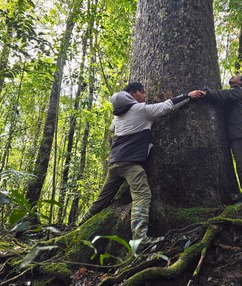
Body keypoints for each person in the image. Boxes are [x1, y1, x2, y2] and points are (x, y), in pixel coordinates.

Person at [79, 82, 204, 244]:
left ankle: (80, 223)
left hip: (115, 163)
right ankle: (139, 240)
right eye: (141, 92)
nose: (145, 95)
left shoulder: (117, 117)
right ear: (132, 95)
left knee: (102, 199)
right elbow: (166, 106)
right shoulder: (140, 110)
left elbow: (112, 129)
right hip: (130, 164)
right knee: (142, 196)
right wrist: (188, 96)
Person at [202, 75, 242, 210]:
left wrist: (207, 92)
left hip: (239, 132)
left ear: (240, 82)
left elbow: (222, 95)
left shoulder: (237, 90)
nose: (232, 76)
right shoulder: (234, 94)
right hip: (238, 132)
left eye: (236, 76)